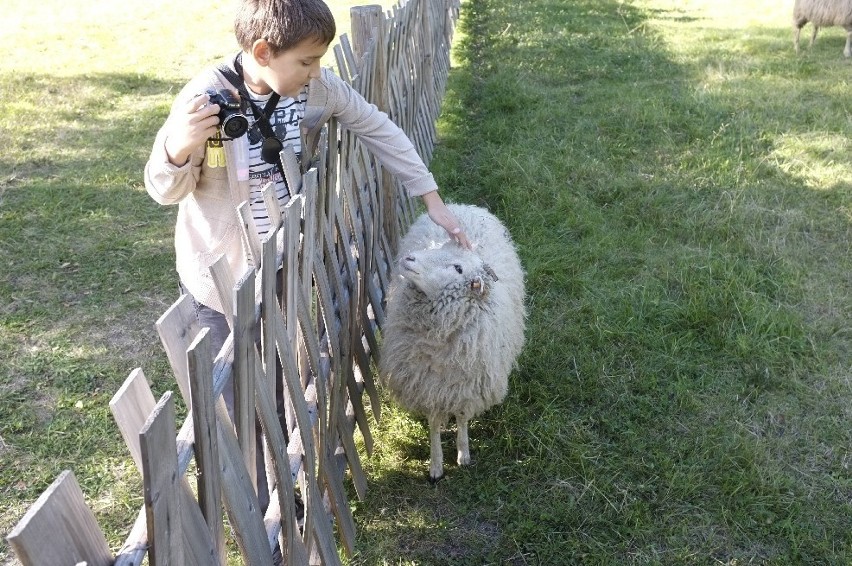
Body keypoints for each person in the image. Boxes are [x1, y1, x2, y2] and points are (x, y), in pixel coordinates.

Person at [144, 0, 469, 511]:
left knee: (275, 374)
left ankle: (282, 477)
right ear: (262, 51)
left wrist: (430, 196)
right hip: (218, 279)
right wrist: (179, 147)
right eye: (306, 61)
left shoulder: (314, 88)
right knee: (236, 394)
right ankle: (263, 498)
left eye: (318, 62)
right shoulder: (205, 100)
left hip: (280, 264)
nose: (317, 71)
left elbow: (376, 126)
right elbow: (164, 189)